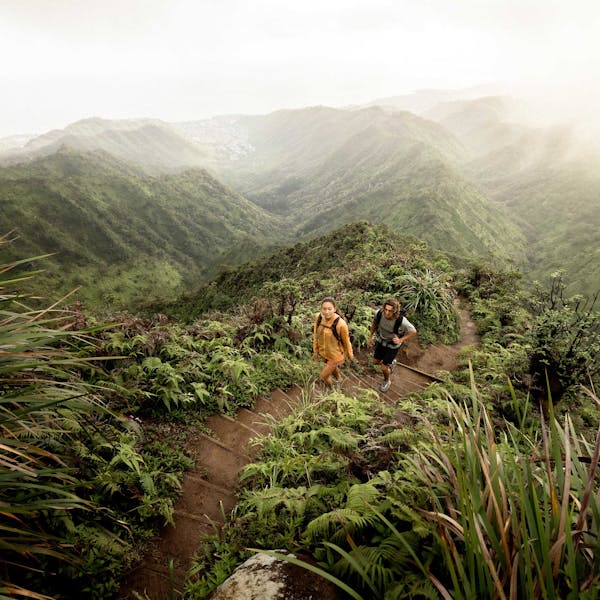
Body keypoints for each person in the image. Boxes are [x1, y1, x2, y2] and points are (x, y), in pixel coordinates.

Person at [368, 298, 417, 393]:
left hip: (392, 345)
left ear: (395, 311)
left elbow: (413, 331)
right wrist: (370, 336)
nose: (387, 313)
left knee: (384, 367)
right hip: (381, 341)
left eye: (390, 311)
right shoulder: (379, 313)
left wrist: (400, 340)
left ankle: (387, 380)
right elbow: (374, 324)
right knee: (375, 362)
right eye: (385, 309)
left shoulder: (402, 321)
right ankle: (392, 362)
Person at [313, 297, 354, 388]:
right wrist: (315, 351)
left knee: (323, 376)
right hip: (324, 353)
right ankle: (338, 379)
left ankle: (332, 390)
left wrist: (350, 355)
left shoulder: (341, 324)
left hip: (336, 355)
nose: (327, 312)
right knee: (333, 368)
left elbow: (346, 341)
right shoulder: (318, 317)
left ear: (334, 309)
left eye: (329, 309)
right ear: (321, 309)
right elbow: (316, 335)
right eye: (324, 309)